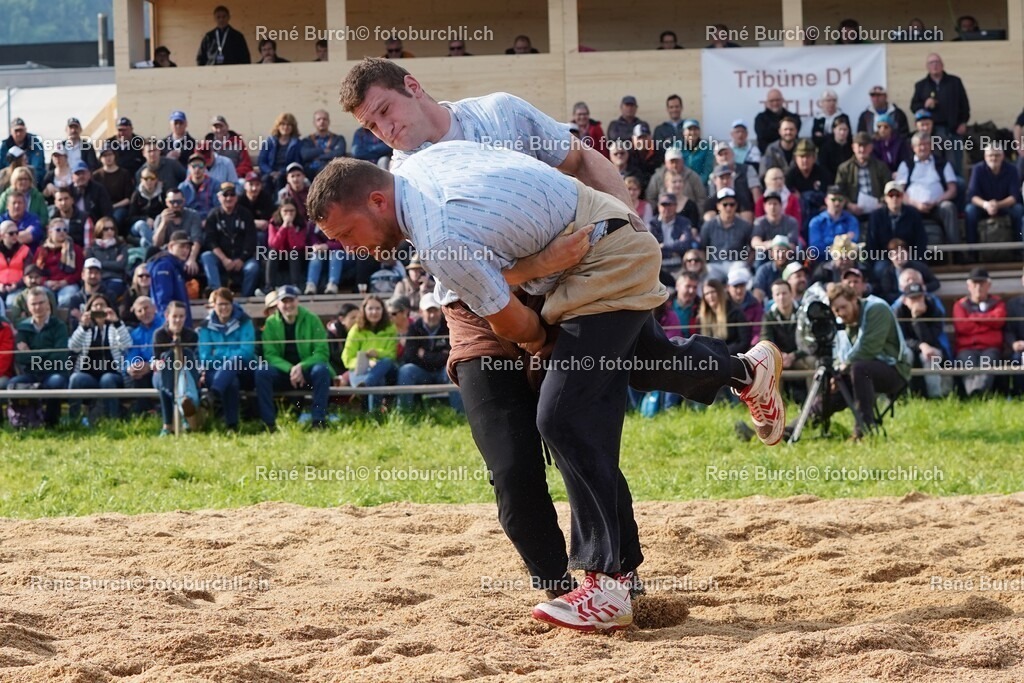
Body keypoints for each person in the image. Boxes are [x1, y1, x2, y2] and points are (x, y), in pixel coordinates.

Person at [307, 146, 786, 632]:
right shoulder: (416, 168)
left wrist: (546, 353)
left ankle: (607, 582)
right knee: (644, 365)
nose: (350, 249)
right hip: (584, 256)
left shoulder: (438, 233)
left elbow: (518, 325)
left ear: (377, 200)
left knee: (563, 416)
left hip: (598, 261)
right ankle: (745, 371)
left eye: (347, 233)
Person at [820, 282, 911, 439]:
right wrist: (836, 373)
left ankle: (863, 431)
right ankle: (794, 429)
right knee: (834, 391)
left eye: (843, 307)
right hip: (859, 373)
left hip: (894, 370)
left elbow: (869, 348)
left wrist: (843, 368)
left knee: (860, 368)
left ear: (855, 299)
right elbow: (839, 354)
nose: (840, 313)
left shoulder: (876, 309)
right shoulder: (842, 323)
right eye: (835, 310)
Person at [255, 285, 335, 429]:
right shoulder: (270, 323)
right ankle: (268, 423)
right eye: (284, 301)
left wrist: (301, 366)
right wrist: (291, 369)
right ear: (278, 304)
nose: (288, 305)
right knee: (262, 372)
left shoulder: (312, 319)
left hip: (307, 371)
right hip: (284, 373)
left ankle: (318, 420)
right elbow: (270, 355)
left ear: (297, 301)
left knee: (321, 370)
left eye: (291, 300)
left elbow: (322, 353)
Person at [8, 287, 70, 426]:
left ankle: (51, 423)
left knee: (56, 382)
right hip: (32, 374)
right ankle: (24, 421)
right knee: (13, 384)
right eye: (34, 304)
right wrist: (47, 353)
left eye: (41, 303)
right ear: (28, 307)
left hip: (54, 372)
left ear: (48, 304)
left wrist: (31, 353)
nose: (38, 307)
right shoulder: (23, 327)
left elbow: (59, 356)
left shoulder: (59, 326)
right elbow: (20, 358)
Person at [67, 292, 131, 423]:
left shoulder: (115, 327)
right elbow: (73, 347)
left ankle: (113, 420)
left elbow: (127, 345)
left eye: (102, 305)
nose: (98, 308)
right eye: (95, 306)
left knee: (106, 379)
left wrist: (117, 322)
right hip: (89, 376)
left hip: (113, 375)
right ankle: (73, 420)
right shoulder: (86, 329)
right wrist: (83, 326)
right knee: (75, 378)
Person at [198, 287, 256, 431]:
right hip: (215, 372)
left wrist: (218, 353)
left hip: (244, 370)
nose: (224, 308)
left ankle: (215, 393)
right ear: (214, 306)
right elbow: (205, 357)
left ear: (232, 304)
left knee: (235, 362)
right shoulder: (205, 326)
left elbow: (247, 352)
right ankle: (232, 426)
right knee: (231, 381)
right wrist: (230, 355)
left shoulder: (244, 321)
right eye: (220, 304)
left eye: (227, 304)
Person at [397, 293, 462, 411]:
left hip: (444, 371)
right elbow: (409, 356)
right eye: (428, 311)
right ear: (421, 312)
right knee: (406, 370)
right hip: (422, 372)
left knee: (456, 369)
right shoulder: (414, 328)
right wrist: (440, 355)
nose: (432, 315)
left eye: (435, 311)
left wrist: (424, 355)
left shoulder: (449, 326)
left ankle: (460, 414)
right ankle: (405, 412)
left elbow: (453, 354)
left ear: (440, 311)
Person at [910, 54, 970, 176]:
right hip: (932, 134)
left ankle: (957, 193)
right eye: (931, 63)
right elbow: (913, 107)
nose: (935, 65)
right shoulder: (921, 85)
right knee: (937, 167)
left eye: (937, 62)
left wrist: (963, 122)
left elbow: (965, 105)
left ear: (942, 65)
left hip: (953, 130)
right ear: (927, 67)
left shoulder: (955, 82)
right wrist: (925, 104)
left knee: (956, 167)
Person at [896, 133, 959, 248]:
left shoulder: (942, 163)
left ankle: (955, 252)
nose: (923, 148)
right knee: (901, 211)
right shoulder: (906, 165)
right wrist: (915, 204)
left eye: (926, 144)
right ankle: (906, 253)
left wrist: (938, 200)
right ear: (913, 148)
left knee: (949, 207)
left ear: (931, 146)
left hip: (937, 206)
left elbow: (952, 189)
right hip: (913, 206)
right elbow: (900, 191)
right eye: (920, 145)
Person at [952, 268, 1005, 396]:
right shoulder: (960, 305)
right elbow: (962, 327)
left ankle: (978, 392)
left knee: (988, 362)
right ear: (968, 286)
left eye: (982, 284)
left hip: (990, 347)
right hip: (966, 347)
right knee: (967, 362)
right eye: (974, 284)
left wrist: (973, 317)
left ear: (989, 285)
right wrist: (987, 322)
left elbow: (999, 321)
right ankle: (975, 393)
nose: (978, 287)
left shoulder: (998, 303)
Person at [341, 294, 399, 411]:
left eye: (378, 308)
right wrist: (365, 362)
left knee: (385, 363)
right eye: (370, 309)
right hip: (362, 369)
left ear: (383, 310)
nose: (374, 312)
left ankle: (364, 388)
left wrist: (377, 354)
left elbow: (392, 354)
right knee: (378, 379)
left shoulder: (391, 328)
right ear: (364, 310)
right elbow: (347, 358)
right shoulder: (356, 329)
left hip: (385, 367)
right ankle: (373, 415)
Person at [151, 300, 200, 434]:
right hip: (162, 374)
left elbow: (191, 361)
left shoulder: (192, 335)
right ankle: (180, 411)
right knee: (164, 380)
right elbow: (157, 359)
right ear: (167, 316)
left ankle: (170, 423)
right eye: (174, 316)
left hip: (185, 375)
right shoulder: (159, 334)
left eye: (181, 316)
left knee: (186, 359)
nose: (178, 320)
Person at [894, 282, 951, 398]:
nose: (917, 301)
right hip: (907, 347)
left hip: (932, 347)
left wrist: (917, 319)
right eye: (913, 298)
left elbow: (931, 338)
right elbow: (900, 339)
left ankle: (935, 397)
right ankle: (903, 396)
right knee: (905, 355)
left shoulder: (934, 309)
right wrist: (920, 345)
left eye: (919, 297)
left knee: (930, 356)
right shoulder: (898, 312)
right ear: (905, 300)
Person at [201, 182, 259, 296]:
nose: (229, 198)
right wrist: (224, 259)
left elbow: (251, 240)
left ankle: (245, 298)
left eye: (232, 195)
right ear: (219, 197)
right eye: (225, 195)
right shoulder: (213, 215)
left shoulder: (245, 214)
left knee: (253, 268)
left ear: (236, 197)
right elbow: (210, 241)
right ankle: (217, 294)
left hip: (242, 258)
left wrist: (241, 259)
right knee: (206, 256)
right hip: (221, 258)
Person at [760, 279, 813, 400]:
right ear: (773, 297)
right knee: (769, 365)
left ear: (791, 294)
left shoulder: (803, 313)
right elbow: (766, 341)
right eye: (777, 294)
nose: (781, 297)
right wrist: (780, 356)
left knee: (812, 361)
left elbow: (809, 341)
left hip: (799, 357)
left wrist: (794, 355)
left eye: (784, 293)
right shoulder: (768, 317)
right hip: (779, 359)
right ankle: (775, 407)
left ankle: (814, 404)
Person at [965, 145, 1023, 245]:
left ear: (1003, 156)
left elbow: (1014, 196)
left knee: (1018, 210)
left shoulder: (1012, 170)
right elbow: (973, 195)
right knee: (970, 211)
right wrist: (986, 205)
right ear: (985, 157)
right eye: (990, 155)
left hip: (1004, 205)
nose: (993, 158)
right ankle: (972, 251)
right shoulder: (977, 169)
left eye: (997, 155)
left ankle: (1019, 249)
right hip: (983, 206)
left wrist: (998, 205)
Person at [835, 132, 890, 220]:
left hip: (878, 211)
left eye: (865, 146)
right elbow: (839, 191)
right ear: (853, 147)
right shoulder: (844, 168)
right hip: (853, 213)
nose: (862, 149)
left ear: (871, 148)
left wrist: (882, 203)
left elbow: (888, 188)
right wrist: (849, 205)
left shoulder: (881, 167)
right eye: (859, 146)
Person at [701, 188, 753, 281]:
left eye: (732, 204)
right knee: (707, 281)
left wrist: (746, 263)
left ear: (736, 206)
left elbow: (752, 249)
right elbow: (702, 248)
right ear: (718, 206)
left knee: (744, 278)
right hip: (715, 264)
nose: (728, 208)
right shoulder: (708, 226)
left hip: (736, 263)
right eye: (725, 205)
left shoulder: (744, 225)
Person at [872, 238, 939, 304]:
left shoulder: (919, 267)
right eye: (895, 254)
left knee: (933, 300)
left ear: (908, 253)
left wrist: (923, 288)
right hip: (899, 301)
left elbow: (935, 283)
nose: (899, 256)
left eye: (902, 253)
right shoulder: (887, 272)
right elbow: (887, 294)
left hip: (920, 299)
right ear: (890, 257)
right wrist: (904, 297)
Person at [35, 218, 84, 307]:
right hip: (47, 284)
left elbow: (80, 272)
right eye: (58, 230)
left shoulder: (75, 249)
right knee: (42, 298)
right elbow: (35, 271)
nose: (62, 232)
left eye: (65, 230)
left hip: (68, 284)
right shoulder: (41, 250)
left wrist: (64, 282)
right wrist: (45, 282)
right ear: (50, 232)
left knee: (66, 299)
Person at [148, 230, 193, 326]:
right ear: (171, 246)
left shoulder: (176, 267)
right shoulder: (164, 266)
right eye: (181, 246)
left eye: (188, 248)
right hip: (172, 325)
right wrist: (169, 324)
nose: (185, 250)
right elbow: (163, 300)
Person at [650, 192, 697, 281]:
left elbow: (685, 245)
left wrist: (663, 246)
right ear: (658, 206)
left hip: (679, 264)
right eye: (664, 204)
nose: (667, 208)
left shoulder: (684, 222)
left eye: (670, 205)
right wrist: (674, 248)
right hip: (658, 265)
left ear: (676, 206)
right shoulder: (652, 224)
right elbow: (652, 247)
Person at [266, 199, 310, 289]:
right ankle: (269, 286)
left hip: (297, 256)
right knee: (273, 252)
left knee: (293, 252)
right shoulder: (273, 222)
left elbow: (297, 245)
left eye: (291, 211)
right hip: (279, 254)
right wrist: (283, 227)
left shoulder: (301, 223)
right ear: (280, 211)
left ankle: (296, 285)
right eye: (285, 211)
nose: (288, 214)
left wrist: (290, 229)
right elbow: (273, 243)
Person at [808, 186, 859, 262]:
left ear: (844, 201)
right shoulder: (816, 222)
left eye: (840, 200)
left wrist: (827, 241)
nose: (837, 203)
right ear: (826, 200)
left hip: (846, 261)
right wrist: (840, 240)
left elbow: (853, 244)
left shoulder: (852, 220)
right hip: (823, 262)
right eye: (833, 199)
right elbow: (815, 248)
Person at [85, 217, 129, 299]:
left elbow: (121, 265)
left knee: (109, 292)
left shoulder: (121, 246)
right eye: (106, 229)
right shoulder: (92, 247)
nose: (110, 231)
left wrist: (99, 263)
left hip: (116, 279)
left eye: (112, 228)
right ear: (99, 230)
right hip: (98, 280)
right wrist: (113, 263)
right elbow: (90, 265)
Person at [258, 113, 303, 190]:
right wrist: (270, 172)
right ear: (278, 126)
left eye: (289, 125)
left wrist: (282, 172)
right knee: (266, 180)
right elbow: (262, 161)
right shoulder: (269, 141)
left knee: (280, 179)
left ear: (293, 127)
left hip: (286, 172)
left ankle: (279, 201)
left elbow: (296, 161)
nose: (285, 127)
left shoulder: (297, 143)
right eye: (283, 124)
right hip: (270, 172)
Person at [300, 110, 347, 180]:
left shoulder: (338, 139)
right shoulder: (307, 140)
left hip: (332, 173)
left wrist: (317, 157)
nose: (322, 121)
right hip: (310, 175)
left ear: (329, 122)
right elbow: (305, 155)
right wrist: (323, 151)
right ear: (314, 123)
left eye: (324, 119)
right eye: (318, 119)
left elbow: (339, 153)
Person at [755, 90, 801, 154]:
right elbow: (762, 137)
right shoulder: (760, 119)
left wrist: (771, 131)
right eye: (772, 101)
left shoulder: (794, 117)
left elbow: (793, 136)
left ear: (782, 100)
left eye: (777, 100)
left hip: (792, 155)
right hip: (768, 156)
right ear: (767, 102)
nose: (775, 103)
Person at [1, 118, 45, 184]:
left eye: (21, 130)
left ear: (25, 130)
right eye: (16, 131)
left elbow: (38, 167)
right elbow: (2, 165)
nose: (19, 133)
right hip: (10, 180)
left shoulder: (35, 143)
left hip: (31, 180)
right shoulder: (4, 145)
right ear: (11, 131)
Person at [752, 235, 795, 302]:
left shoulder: (794, 269)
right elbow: (758, 294)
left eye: (783, 251)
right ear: (772, 253)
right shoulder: (764, 270)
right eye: (777, 251)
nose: (780, 255)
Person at [1, 220, 31, 307]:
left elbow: (28, 272)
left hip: (18, 287)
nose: (15, 236)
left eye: (16, 233)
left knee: (11, 303)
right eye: (11, 233)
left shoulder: (25, 250)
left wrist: (16, 285)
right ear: (2, 235)